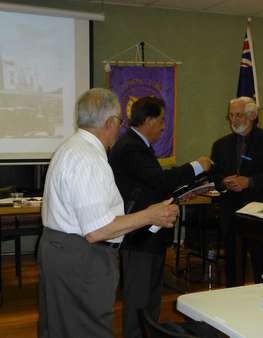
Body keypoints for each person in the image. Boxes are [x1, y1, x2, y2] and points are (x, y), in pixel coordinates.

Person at [38, 88, 179, 338]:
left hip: (62, 249)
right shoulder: (88, 158)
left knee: (60, 328)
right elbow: (97, 230)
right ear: (110, 122)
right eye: (120, 122)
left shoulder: (71, 147)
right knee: (88, 328)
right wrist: (151, 215)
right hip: (82, 257)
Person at [109, 96, 212, 338]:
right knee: (138, 298)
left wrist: (181, 193)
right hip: (138, 235)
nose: (164, 126)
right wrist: (197, 166)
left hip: (149, 234)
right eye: (161, 120)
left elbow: (151, 184)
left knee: (151, 295)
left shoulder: (138, 145)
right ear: (148, 120)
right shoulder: (130, 146)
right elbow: (159, 179)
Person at [210, 96, 263, 286]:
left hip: (259, 213)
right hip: (231, 212)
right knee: (233, 265)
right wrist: (223, 182)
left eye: (239, 115)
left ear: (252, 115)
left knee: (261, 262)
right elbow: (214, 175)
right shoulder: (220, 145)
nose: (234, 120)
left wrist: (249, 182)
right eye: (231, 116)